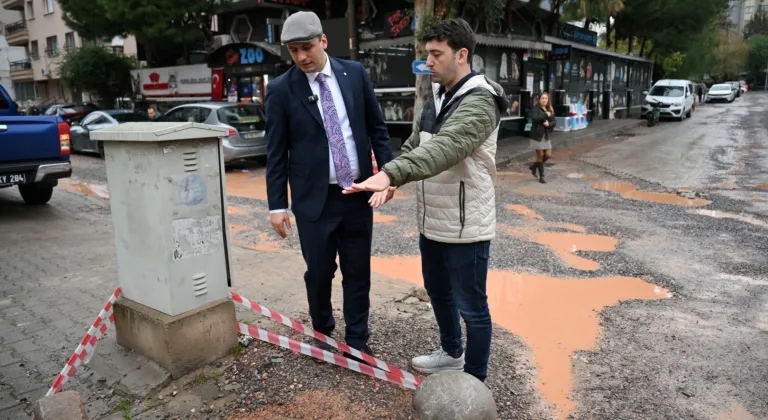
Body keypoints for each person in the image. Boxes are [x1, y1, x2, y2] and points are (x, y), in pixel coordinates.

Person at [343, 18, 507, 382]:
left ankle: (474, 382)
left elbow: (448, 148)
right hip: (432, 219)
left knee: (473, 307)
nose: (428, 62)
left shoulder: (481, 101)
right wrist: (392, 177)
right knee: (437, 290)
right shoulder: (436, 94)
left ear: (462, 55)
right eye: (426, 54)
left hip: (467, 225)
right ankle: (451, 353)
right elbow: (417, 144)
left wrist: (390, 174)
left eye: (436, 54)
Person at [264, 11, 394, 358]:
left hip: (357, 195)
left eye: (307, 47)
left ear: (323, 41)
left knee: (358, 272)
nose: (302, 57)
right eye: (294, 51)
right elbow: (276, 153)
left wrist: (389, 175)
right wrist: (277, 206)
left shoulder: (355, 75)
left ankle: (357, 342)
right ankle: (322, 331)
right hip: (313, 201)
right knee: (319, 273)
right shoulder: (280, 90)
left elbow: (378, 130)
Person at [528, 93, 556, 184]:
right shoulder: (535, 108)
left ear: (548, 100)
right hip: (537, 135)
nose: (544, 100)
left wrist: (549, 124)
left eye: (546, 98)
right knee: (540, 155)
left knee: (548, 155)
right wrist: (545, 115)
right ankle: (542, 176)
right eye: (542, 98)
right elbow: (534, 119)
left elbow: (554, 121)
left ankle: (535, 166)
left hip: (546, 135)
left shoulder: (549, 109)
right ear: (539, 99)